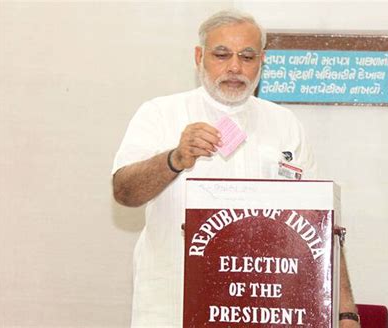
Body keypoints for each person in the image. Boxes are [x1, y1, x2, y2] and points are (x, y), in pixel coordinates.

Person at [112, 9, 360, 328]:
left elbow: (321, 220)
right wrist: (173, 159)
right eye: (221, 54)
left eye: (246, 56)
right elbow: (124, 192)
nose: (234, 67)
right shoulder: (160, 114)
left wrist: (346, 311)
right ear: (199, 56)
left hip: (269, 309)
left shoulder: (285, 125)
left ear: (262, 60)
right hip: (174, 306)